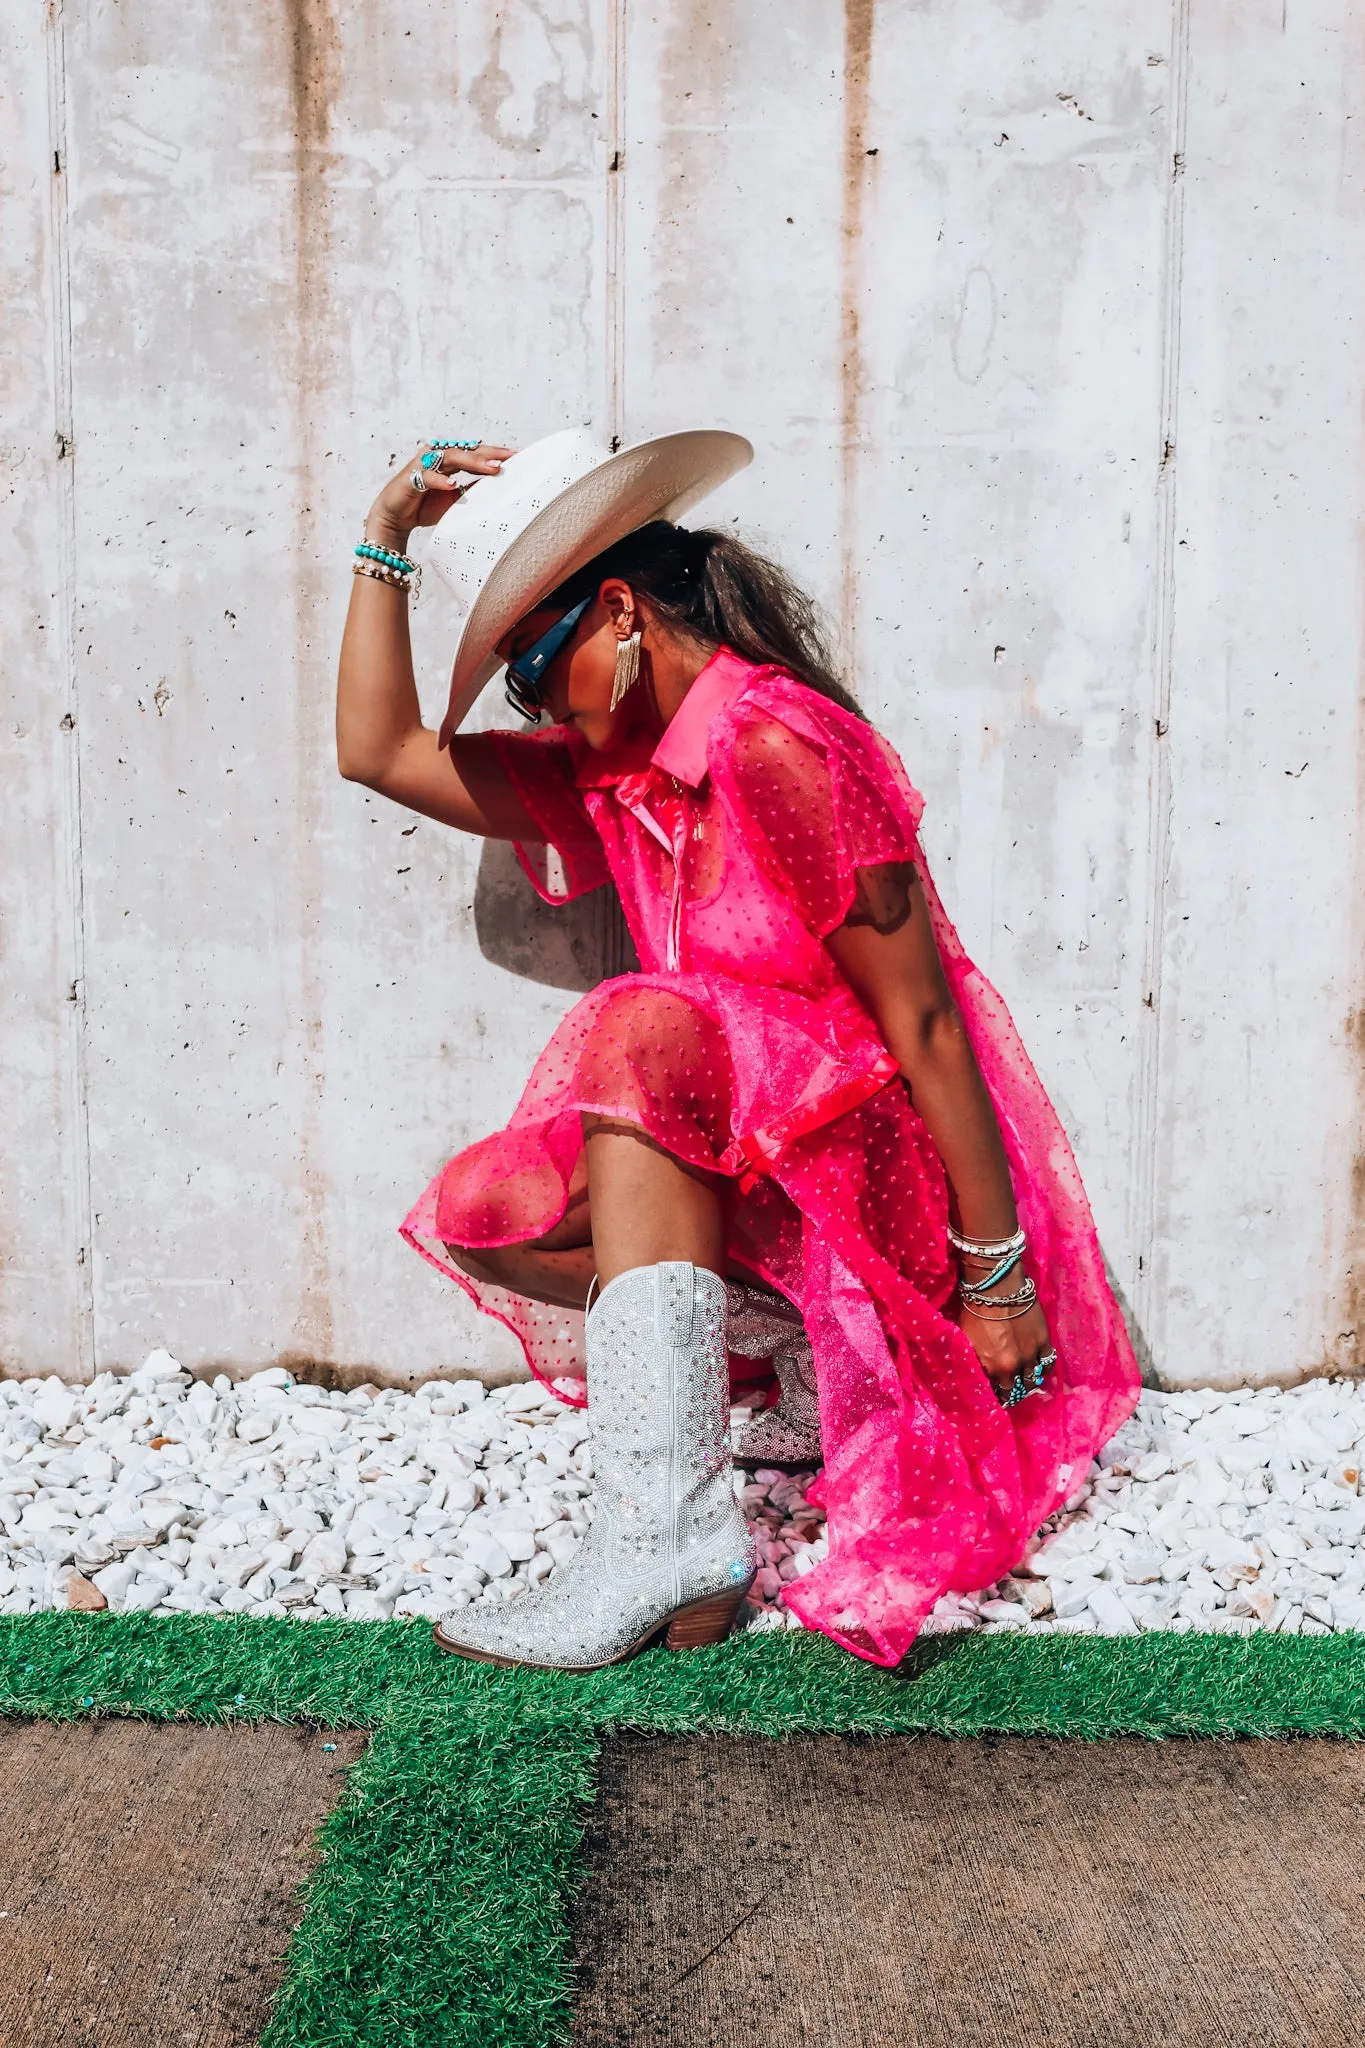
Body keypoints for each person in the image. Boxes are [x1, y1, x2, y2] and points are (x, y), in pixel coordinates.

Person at [335, 428, 1139, 1671]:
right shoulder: (619, 773)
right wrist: (384, 538)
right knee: (492, 1209)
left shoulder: (778, 744)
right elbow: (378, 750)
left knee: (638, 1023)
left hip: (885, 1184)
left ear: (618, 618)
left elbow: (926, 1019)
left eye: (536, 670)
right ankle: (802, 1367)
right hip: (767, 1165)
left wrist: (999, 1277)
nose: (534, 708)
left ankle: (664, 1530)